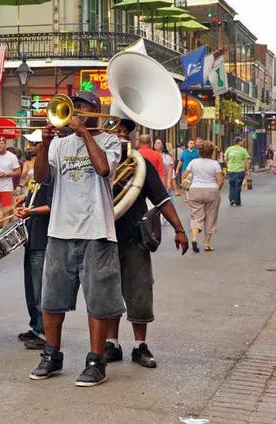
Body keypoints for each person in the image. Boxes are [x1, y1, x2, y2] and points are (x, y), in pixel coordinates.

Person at [29, 91, 123, 387]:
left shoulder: (109, 140)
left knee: (98, 301)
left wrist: (84, 133)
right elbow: (42, 177)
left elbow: (103, 169)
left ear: (95, 110)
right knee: (51, 300)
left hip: (96, 230)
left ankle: (96, 361)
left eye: (80, 108)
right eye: (72, 108)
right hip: (60, 230)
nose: (74, 114)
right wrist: (44, 146)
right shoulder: (58, 142)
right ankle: (51, 354)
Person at [104, 118, 188, 369]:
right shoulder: (97, 164)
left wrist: (179, 228)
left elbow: (162, 199)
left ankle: (139, 346)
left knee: (140, 292)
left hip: (133, 238)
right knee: (108, 293)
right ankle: (111, 343)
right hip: (103, 238)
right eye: (115, 131)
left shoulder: (140, 164)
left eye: (124, 132)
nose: (120, 135)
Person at [14, 130, 53, 351]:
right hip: (31, 235)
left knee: (40, 290)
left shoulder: (48, 173)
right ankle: (35, 326)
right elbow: (35, 196)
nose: (29, 146)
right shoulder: (35, 172)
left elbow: (54, 204)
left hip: (42, 238)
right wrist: (24, 199)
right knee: (30, 287)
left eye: (34, 143)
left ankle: (44, 332)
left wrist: (32, 211)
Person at [183, 141, 224, 252]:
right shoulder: (215, 164)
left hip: (195, 190)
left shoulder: (193, 162)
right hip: (212, 190)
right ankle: (207, 244)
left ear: (200, 151)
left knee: (196, 216)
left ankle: (195, 239)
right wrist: (216, 189)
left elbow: (184, 176)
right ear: (211, 152)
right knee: (211, 216)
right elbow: (220, 180)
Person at [0, 137, 21, 233]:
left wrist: (6, 175)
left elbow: (18, 172)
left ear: (5, 144)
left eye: (2, 143)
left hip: (7, 187)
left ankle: (4, 231)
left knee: (5, 211)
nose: (0, 145)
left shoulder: (12, 157)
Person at [223, 137, 251, 207]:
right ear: (239, 142)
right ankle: (237, 201)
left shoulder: (229, 149)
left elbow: (225, 159)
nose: (242, 143)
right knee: (238, 185)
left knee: (231, 185)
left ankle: (231, 200)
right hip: (240, 170)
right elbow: (246, 161)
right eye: (242, 141)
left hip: (231, 170)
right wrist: (247, 170)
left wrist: (228, 165)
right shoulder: (243, 150)